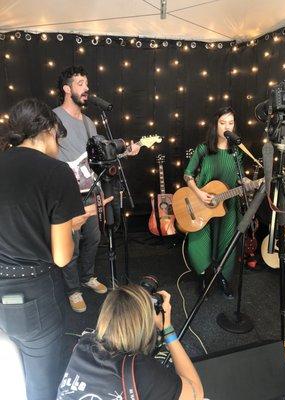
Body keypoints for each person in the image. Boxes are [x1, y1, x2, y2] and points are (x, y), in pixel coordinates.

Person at [0, 98, 89, 400]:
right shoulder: (56, 172)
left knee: (8, 372)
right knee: (42, 384)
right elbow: (63, 256)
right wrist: (70, 229)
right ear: (50, 130)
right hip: (35, 295)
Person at [54, 66, 139, 313]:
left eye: (86, 83)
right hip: (66, 196)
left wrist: (126, 149)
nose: (86, 88)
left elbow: (101, 153)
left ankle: (87, 277)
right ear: (67, 89)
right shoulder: (54, 118)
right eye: (80, 83)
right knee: (72, 244)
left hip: (92, 192)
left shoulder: (90, 122)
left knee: (93, 238)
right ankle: (73, 290)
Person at [57, 284, 204, 400]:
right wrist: (167, 330)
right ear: (145, 326)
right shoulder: (141, 369)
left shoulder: (83, 344)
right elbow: (196, 393)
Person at [184, 107, 243, 298]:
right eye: (223, 122)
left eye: (231, 123)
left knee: (227, 242)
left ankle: (223, 278)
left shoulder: (237, 152)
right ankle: (201, 279)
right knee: (199, 243)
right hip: (202, 204)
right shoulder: (203, 149)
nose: (227, 127)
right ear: (215, 124)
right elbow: (188, 175)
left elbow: (239, 178)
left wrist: (251, 183)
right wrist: (199, 194)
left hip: (228, 205)